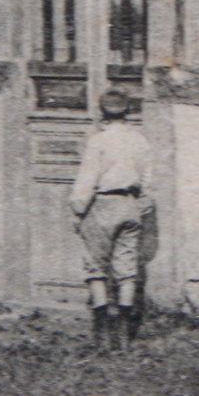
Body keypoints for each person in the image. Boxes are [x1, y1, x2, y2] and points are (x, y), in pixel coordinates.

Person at [67, 88, 155, 351]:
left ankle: (103, 336)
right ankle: (125, 336)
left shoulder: (98, 141)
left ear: (101, 112)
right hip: (129, 205)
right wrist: (140, 205)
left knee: (96, 266)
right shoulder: (140, 141)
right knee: (127, 269)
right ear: (128, 112)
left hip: (103, 204)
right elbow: (149, 182)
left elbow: (87, 179)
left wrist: (78, 210)